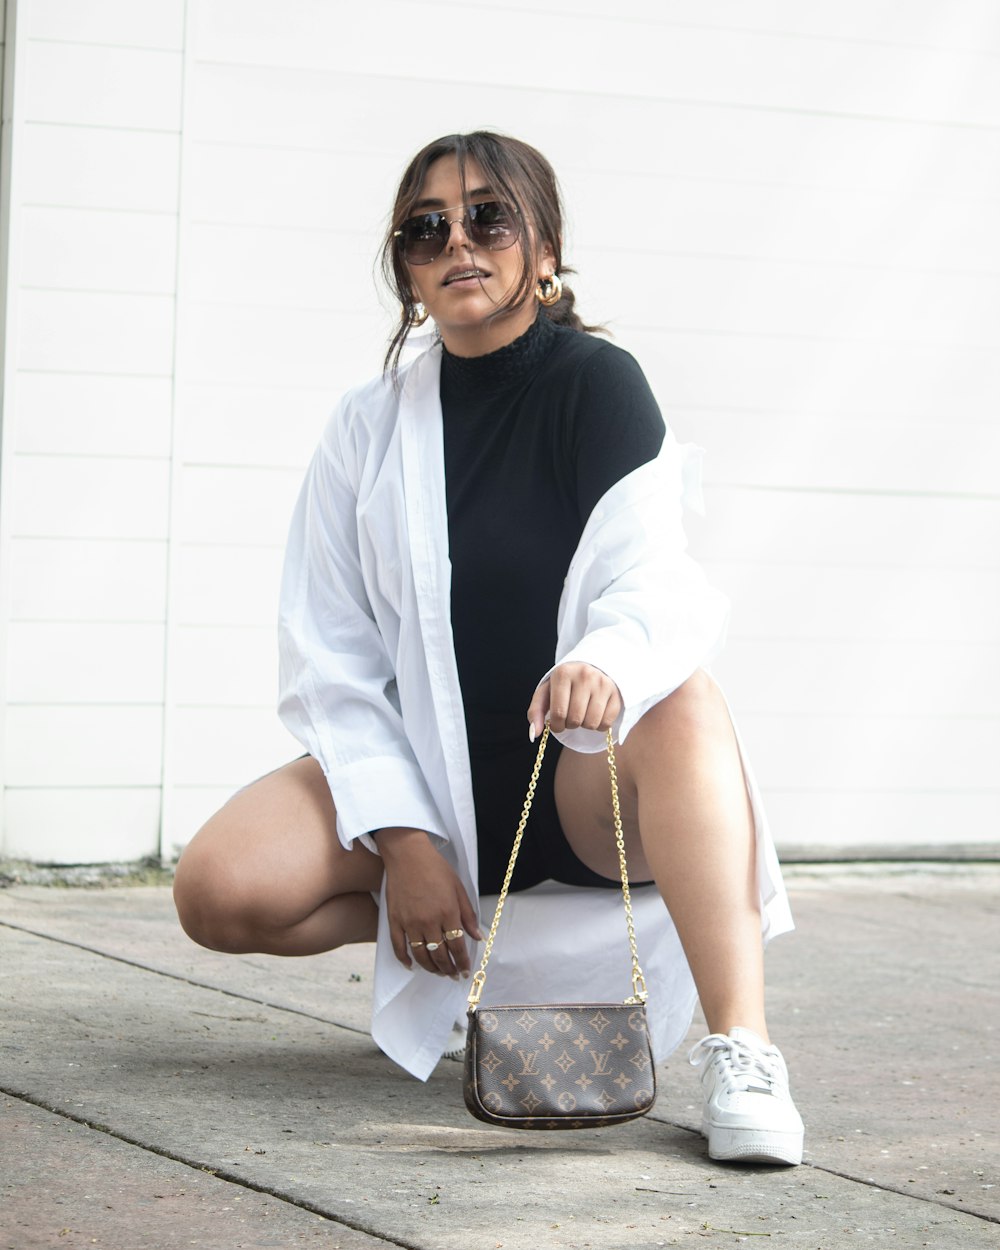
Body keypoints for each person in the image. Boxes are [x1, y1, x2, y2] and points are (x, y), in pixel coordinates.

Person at [173, 131, 804, 1166]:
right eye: (427, 227)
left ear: (543, 248)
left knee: (683, 697)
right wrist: (407, 840)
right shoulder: (365, 428)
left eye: (488, 217)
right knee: (218, 883)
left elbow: (657, 577)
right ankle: (438, 932)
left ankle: (743, 1044)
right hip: (441, 795)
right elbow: (329, 654)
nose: (457, 239)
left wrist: (606, 659)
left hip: (584, 794)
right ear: (408, 270)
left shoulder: (599, 384)